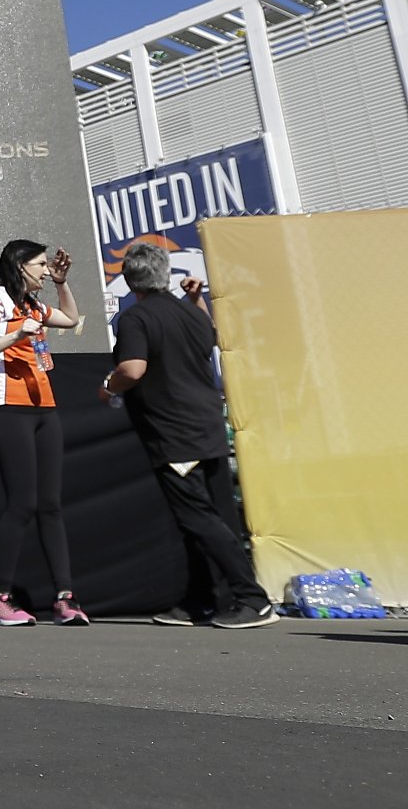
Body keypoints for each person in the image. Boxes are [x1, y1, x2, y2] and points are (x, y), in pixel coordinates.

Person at [101, 244, 276, 630]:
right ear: (164, 274)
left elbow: (131, 369)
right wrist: (196, 299)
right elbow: (207, 335)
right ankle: (202, 599)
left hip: (175, 433)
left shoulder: (136, 319)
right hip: (207, 424)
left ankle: (253, 598)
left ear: (130, 280)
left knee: (198, 517)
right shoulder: (190, 311)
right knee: (200, 518)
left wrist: (109, 387)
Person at [0, 240, 87, 626]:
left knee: (50, 504)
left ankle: (64, 599)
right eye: (39, 265)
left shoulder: (33, 305)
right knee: (22, 503)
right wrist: (16, 336)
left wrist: (64, 284)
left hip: (44, 408)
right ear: (19, 266)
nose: (46, 271)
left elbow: (70, 319)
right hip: (7, 408)